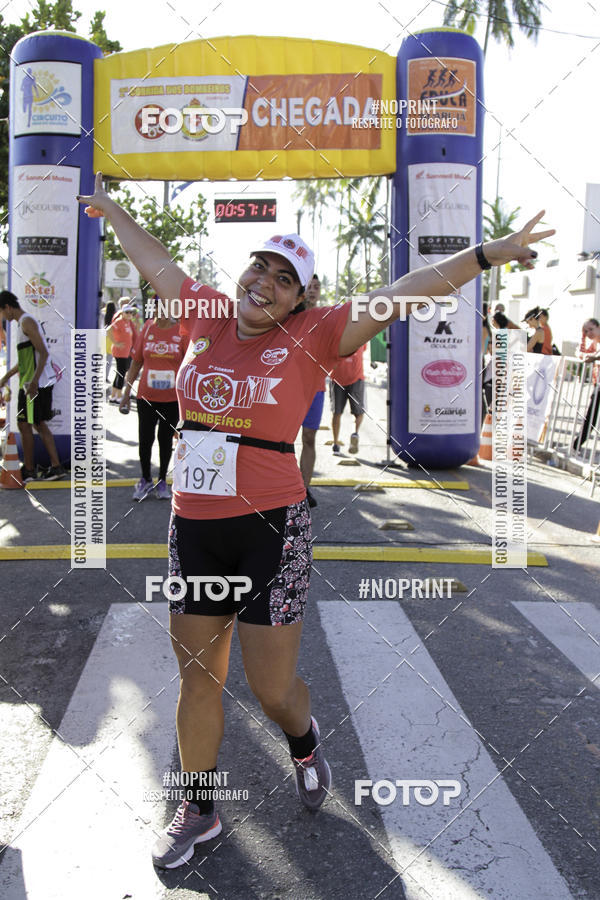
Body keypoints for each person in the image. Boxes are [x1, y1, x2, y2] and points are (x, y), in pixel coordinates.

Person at [77, 173, 551, 869]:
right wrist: (114, 210)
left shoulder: (316, 333)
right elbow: (155, 261)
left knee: (272, 691)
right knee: (197, 677)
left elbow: (407, 291)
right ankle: (198, 809)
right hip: (196, 526)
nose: (263, 282)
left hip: (272, 528)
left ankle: (303, 740)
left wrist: (488, 253)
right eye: (259, 267)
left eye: (283, 277)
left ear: (302, 297)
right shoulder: (206, 312)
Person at [120, 306, 184, 500]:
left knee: (165, 440)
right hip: (147, 396)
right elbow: (136, 363)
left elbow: (189, 365)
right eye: (158, 307)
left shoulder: (181, 330)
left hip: (172, 399)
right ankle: (145, 479)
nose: (162, 312)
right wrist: (126, 393)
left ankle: (162, 480)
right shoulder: (147, 328)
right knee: (145, 439)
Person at [0, 290, 65, 481]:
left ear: (8, 308)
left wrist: (35, 382)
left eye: (2, 313)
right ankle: (54, 467)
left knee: (26, 424)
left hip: (35, 385)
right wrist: (5, 377)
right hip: (31, 383)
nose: (3, 317)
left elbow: (44, 353)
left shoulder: (27, 322)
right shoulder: (22, 324)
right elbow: (25, 361)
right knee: (33, 423)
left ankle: (30, 469)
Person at [293, 274, 324, 507]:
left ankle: (304, 489)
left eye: (317, 287)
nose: (313, 290)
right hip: (291, 385)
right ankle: (286, 488)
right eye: (309, 287)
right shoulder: (293, 316)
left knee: (309, 437)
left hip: (317, 386)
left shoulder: (326, 317)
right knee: (282, 439)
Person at [330, 343, 366, 454]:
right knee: (358, 412)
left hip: (340, 378)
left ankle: (336, 444)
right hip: (352, 378)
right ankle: (355, 433)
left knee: (337, 412)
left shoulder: (337, 334)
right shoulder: (362, 333)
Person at [573, 318, 600, 452]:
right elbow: (580, 352)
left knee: (591, 414)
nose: (589, 333)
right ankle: (576, 445)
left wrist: (594, 357)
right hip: (598, 383)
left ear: (598, 327)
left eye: (591, 329)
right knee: (591, 415)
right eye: (586, 331)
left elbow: (593, 356)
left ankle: (576, 445)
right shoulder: (594, 342)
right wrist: (583, 336)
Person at [108, 303, 138, 404]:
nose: (129, 314)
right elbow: (109, 330)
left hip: (125, 352)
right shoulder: (119, 321)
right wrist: (115, 343)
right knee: (121, 374)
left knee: (119, 373)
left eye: (131, 312)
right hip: (120, 352)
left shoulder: (128, 322)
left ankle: (113, 396)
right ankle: (118, 396)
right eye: (127, 312)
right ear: (122, 313)